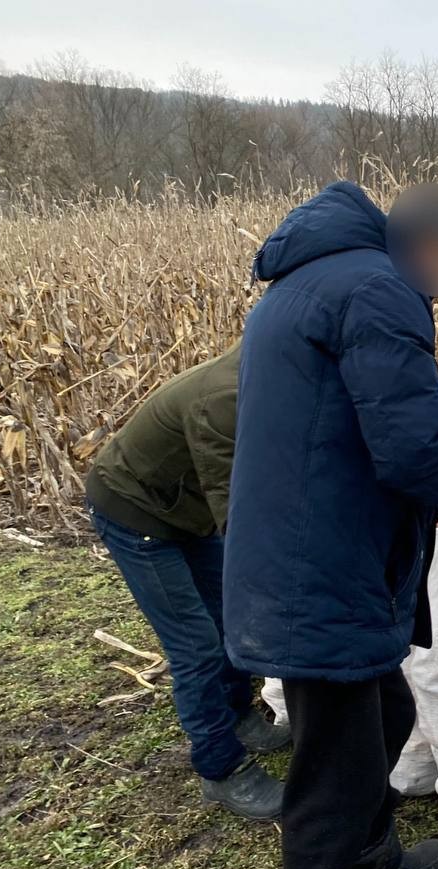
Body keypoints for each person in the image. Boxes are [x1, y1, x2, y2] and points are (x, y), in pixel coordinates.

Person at [223, 181, 438, 869]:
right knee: (337, 749)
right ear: (430, 246)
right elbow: (413, 444)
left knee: (381, 713)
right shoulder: (379, 290)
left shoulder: (312, 282)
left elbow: (343, 429)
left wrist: (421, 502)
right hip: (321, 559)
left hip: (309, 543)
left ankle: (373, 864)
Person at [85, 341, 288, 821]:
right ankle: (221, 770)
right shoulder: (226, 400)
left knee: (230, 616)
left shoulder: (275, 373)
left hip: (182, 508)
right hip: (136, 512)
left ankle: (238, 714)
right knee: (195, 645)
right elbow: (236, 507)